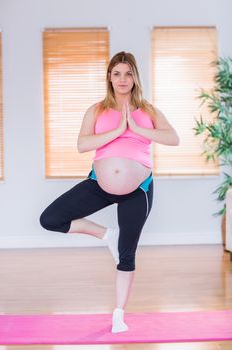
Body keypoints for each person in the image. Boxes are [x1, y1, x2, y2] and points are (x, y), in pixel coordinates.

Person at [39, 51, 180, 333]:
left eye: (128, 73)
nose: (122, 79)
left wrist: (137, 127)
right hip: (99, 184)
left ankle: (118, 315)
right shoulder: (97, 109)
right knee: (50, 219)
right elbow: (83, 144)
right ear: (109, 77)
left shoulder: (149, 110)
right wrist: (118, 130)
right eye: (117, 73)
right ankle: (106, 235)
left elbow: (173, 138)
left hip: (138, 189)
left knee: (127, 255)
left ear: (135, 77)